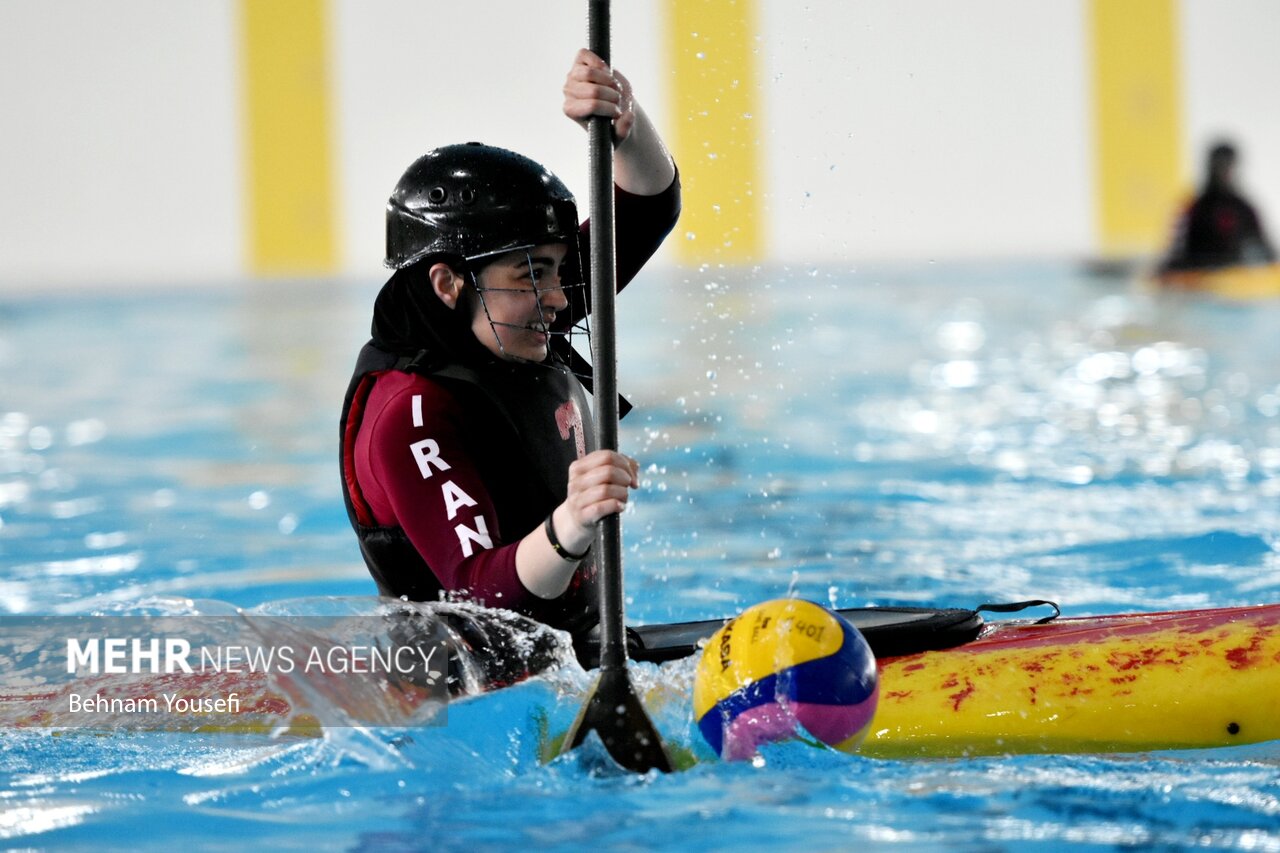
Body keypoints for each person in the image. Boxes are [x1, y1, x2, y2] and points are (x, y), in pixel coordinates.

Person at [340, 50, 679, 649]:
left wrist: (624, 125)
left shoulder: (510, 320)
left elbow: (650, 205)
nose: (558, 298)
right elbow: (478, 595)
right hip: (465, 693)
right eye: (532, 276)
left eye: (554, 271)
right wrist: (572, 522)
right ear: (448, 284)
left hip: (577, 653)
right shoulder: (411, 412)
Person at [1160, 140, 1276, 272]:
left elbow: (1266, 250)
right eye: (1219, 166)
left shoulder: (1244, 209)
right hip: (1199, 275)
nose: (1224, 172)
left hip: (1235, 275)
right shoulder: (1194, 208)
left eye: (1227, 166)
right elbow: (1177, 250)